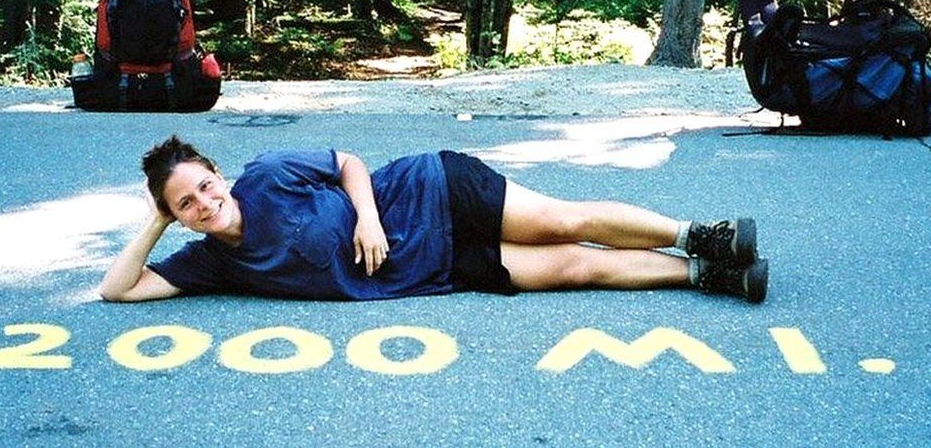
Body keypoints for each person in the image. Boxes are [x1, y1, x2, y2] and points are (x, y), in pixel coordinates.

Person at [100, 136, 768, 304]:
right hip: (435, 267)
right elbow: (118, 289)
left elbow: (349, 161)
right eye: (185, 203)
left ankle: (696, 233)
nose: (205, 202)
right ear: (178, 215)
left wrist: (366, 218)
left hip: (433, 190)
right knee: (575, 263)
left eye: (205, 185)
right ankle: (703, 273)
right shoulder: (213, 262)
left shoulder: (269, 173)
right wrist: (153, 222)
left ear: (220, 174)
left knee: (566, 220)